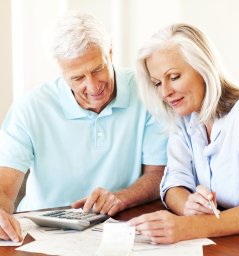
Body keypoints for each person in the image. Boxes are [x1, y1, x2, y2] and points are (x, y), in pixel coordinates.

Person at [0, 12, 167, 242]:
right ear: (61, 72)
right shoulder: (30, 107)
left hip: (118, 226)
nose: (93, 86)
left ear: (110, 52)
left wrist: (121, 198)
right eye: (78, 78)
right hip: (42, 231)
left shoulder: (146, 92)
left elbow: (158, 174)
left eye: (98, 68)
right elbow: (4, 187)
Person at [129, 23, 239, 244]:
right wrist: (187, 205)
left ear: (203, 68)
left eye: (174, 76)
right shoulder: (184, 118)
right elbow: (173, 184)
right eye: (157, 83)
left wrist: (190, 226)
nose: (165, 92)